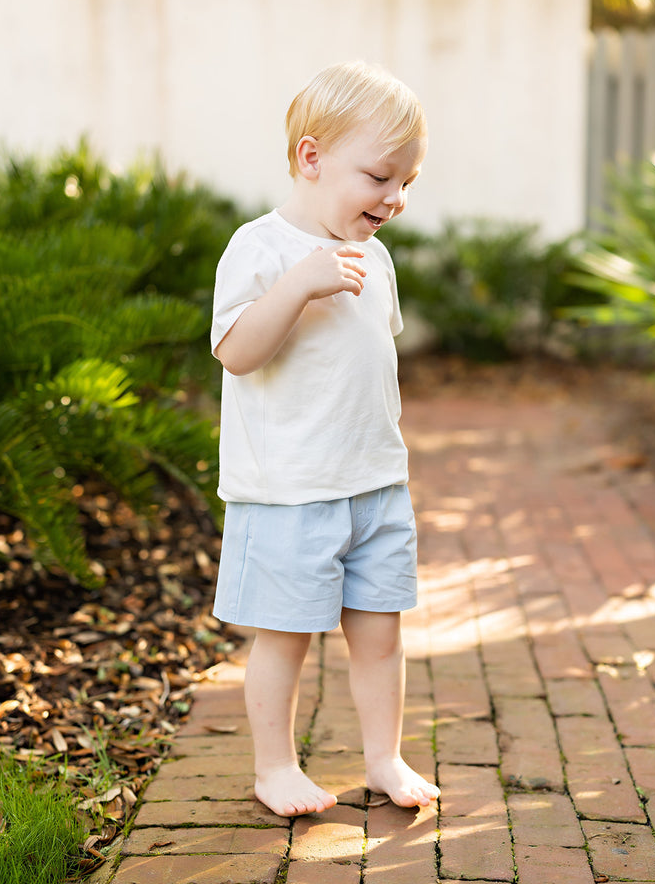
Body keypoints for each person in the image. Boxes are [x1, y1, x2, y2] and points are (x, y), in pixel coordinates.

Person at [210, 60, 439, 818]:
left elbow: (367, 362)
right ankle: (274, 768)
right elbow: (237, 353)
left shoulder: (376, 257)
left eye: (406, 181)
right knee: (285, 638)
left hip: (374, 486)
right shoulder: (261, 249)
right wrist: (298, 286)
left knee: (380, 635)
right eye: (379, 176)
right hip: (289, 493)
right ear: (312, 159)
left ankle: (383, 759)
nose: (395, 198)